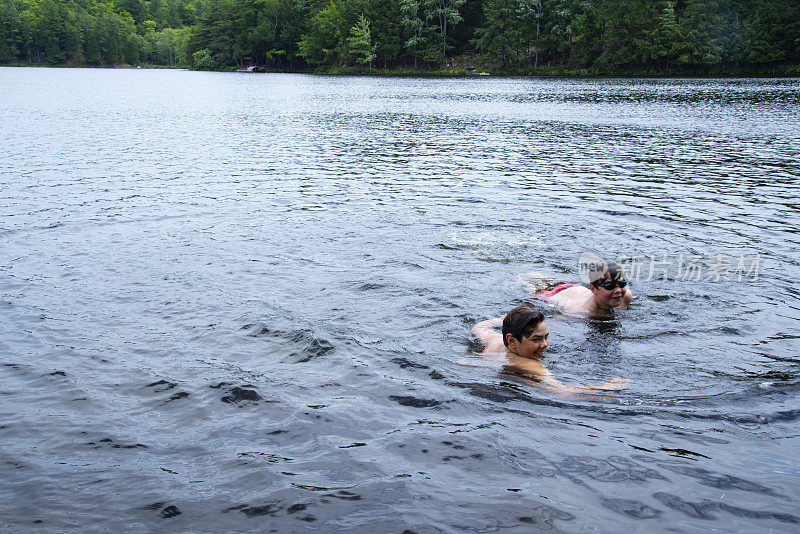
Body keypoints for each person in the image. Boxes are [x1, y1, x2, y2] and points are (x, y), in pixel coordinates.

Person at [471, 305, 626, 395]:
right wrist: (608, 388)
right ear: (512, 340)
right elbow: (564, 392)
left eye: (546, 337)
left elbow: (478, 327)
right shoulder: (528, 364)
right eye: (536, 339)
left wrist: (498, 320)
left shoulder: (495, 340)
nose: (545, 344)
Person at [540, 262, 633, 315]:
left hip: (577, 289)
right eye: (610, 286)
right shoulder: (579, 312)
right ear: (593, 289)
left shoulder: (626, 297)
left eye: (621, 284)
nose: (618, 291)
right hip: (555, 294)